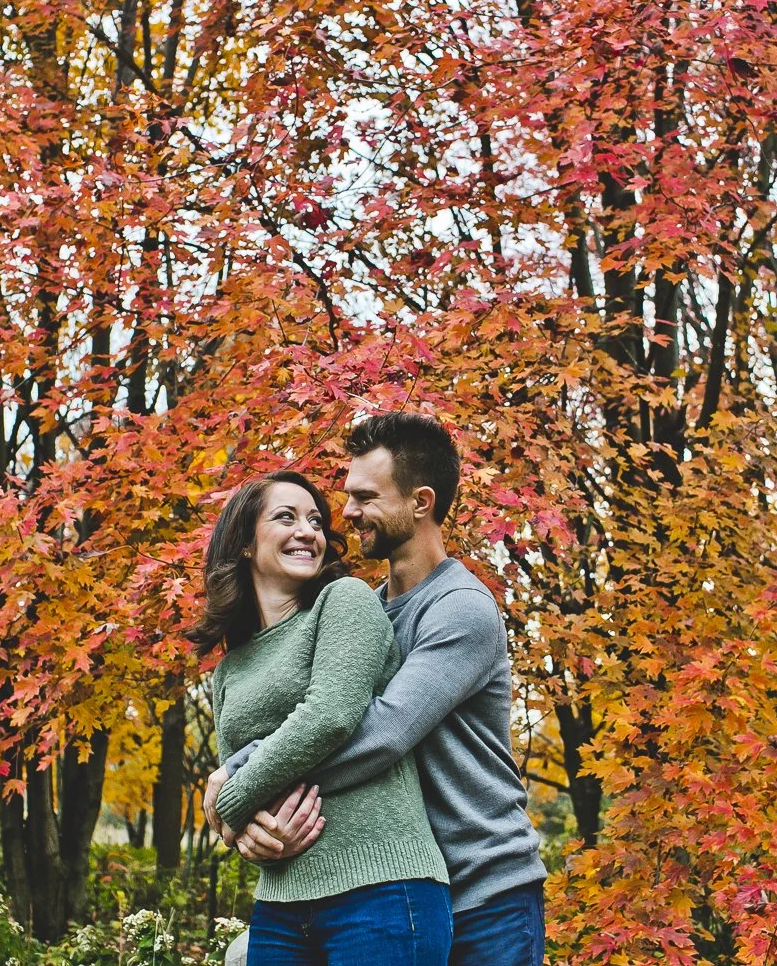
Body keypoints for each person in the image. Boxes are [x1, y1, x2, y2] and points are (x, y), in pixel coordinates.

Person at [207, 414, 548, 966]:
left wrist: (238, 782)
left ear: (420, 502)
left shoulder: (460, 609)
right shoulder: (361, 609)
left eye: (365, 497)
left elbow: (382, 732)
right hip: (392, 880)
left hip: (483, 886)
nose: (346, 514)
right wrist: (254, 824)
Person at [196, 469, 452, 965]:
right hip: (280, 901)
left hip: (382, 887)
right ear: (245, 543)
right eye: (286, 517)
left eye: (315, 520)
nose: (308, 531)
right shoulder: (229, 669)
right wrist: (252, 837)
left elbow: (330, 715)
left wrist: (228, 799)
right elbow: (240, 808)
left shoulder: (344, 601)